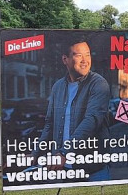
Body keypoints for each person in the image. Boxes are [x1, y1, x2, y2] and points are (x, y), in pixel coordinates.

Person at [33, 36, 111, 180]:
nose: (85, 60)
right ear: (65, 59)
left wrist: (64, 153)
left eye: (87, 55)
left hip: (92, 169)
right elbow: (50, 124)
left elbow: (91, 121)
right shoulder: (58, 87)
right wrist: (35, 154)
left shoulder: (99, 84)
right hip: (65, 169)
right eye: (78, 55)